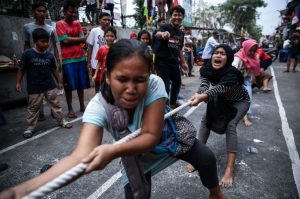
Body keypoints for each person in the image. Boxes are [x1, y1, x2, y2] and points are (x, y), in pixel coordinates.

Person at [0, 39, 227, 199]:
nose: (131, 88)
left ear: (149, 76)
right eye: (122, 79)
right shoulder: (98, 106)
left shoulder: (156, 84)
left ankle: (215, 193)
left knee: (206, 158)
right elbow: (81, 156)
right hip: (135, 154)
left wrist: (112, 151)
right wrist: (21, 191)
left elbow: (150, 134)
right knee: (138, 194)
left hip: (168, 138)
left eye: (140, 79)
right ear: (107, 77)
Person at [186, 44, 250, 188]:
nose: (218, 56)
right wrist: (199, 93)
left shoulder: (232, 74)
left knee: (231, 125)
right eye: (216, 53)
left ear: (228, 58)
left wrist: (202, 97)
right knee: (205, 121)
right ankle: (198, 158)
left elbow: (220, 88)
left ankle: (230, 169)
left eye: (222, 53)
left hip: (239, 102)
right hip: (220, 100)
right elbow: (204, 85)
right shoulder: (207, 69)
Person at [15, 28, 72, 138]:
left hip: (49, 85)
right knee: (33, 107)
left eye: (47, 41)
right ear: (35, 41)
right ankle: (30, 127)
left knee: (55, 104)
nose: (46, 44)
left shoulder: (50, 56)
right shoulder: (28, 54)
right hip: (34, 87)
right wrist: (18, 82)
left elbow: (54, 70)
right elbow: (21, 69)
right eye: (43, 41)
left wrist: (59, 82)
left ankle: (62, 121)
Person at [23, 2, 61, 121]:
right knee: (36, 88)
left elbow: (55, 45)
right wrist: (26, 60)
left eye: (44, 11)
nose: (42, 13)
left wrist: (57, 60)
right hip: (33, 62)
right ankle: (39, 113)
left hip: (49, 62)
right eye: (39, 11)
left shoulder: (51, 29)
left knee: (51, 88)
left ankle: (55, 112)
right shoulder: (27, 27)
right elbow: (26, 44)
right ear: (34, 11)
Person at [56, 0, 90, 119]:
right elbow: (64, 41)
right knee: (69, 86)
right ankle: (70, 109)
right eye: (71, 12)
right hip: (67, 60)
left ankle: (82, 105)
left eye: (75, 12)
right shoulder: (59, 24)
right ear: (64, 12)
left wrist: (73, 39)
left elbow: (83, 40)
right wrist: (79, 39)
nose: (73, 14)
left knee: (81, 84)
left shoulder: (77, 23)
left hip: (80, 58)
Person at [151, 5, 188, 109]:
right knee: (165, 86)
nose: (177, 17)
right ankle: (164, 108)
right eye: (175, 15)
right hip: (162, 62)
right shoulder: (166, 27)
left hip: (174, 62)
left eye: (179, 15)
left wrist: (183, 63)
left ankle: (172, 104)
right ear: (171, 16)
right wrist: (163, 34)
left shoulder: (181, 32)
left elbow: (179, 48)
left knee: (177, 82)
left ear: (183, 17)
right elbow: (157, 34)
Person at [232, 39, 260, 127]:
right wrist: (240, 71)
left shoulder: (254, 58)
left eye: (254, 51)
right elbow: (232, 70)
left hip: (246, 80)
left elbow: (252, 69)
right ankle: (242, 116)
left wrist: (253, 77)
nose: (252, 53)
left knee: (248, 98)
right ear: (246, 48)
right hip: (236, 80)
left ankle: (244, 116)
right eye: (250, 50)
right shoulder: (238, 57)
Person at [87, 12, 111, 93]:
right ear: (100, 20)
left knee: (107, 83)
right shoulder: (95, 31)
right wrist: (89, 61)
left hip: (107, 63)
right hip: (96, 63)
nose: (107, 21)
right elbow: (90, 47)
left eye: (108, 20)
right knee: (97, 83)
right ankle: (98, 99)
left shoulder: (111, 32)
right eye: (104, 19)